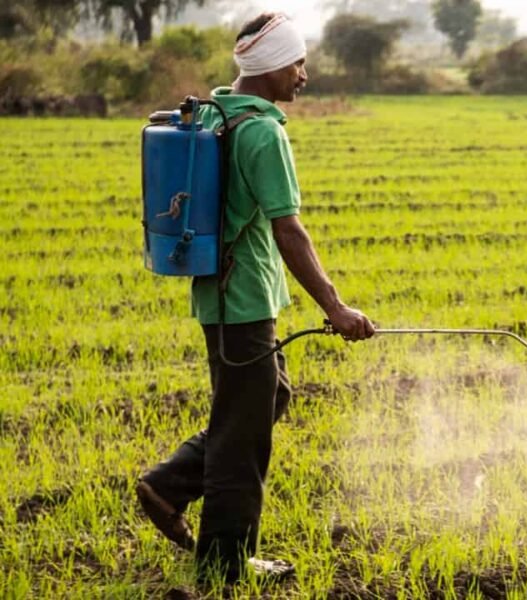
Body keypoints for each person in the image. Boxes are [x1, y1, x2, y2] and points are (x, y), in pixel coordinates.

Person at [135, 12, 375, 584]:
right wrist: (336, 307)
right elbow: (289, 230)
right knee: (244, 440)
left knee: (268, 400)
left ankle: (169, 484)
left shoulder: (221, 112)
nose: (304, 75)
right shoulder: (262, 131)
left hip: (226, 296)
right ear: (270, 67)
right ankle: (223, 567)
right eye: (297, 63)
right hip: (240, 302)